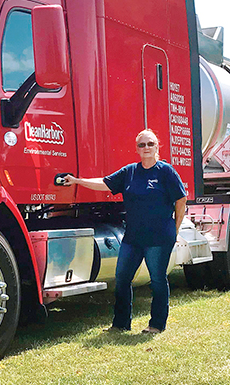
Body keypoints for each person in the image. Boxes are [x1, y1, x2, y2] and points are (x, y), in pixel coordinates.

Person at [61, 129, 187, 334]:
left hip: (159, 238)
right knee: (122, 279)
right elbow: (104, 183)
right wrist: (77, 181)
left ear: (157, 146)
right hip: (133, 238)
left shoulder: (166, 172)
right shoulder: (130, 172)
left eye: (150, 144)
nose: (146, 148)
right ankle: (120, 324)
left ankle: (156, 325)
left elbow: (181, 200)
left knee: (157, 280)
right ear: (137, 149)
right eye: (142, 145)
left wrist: (175, 228)